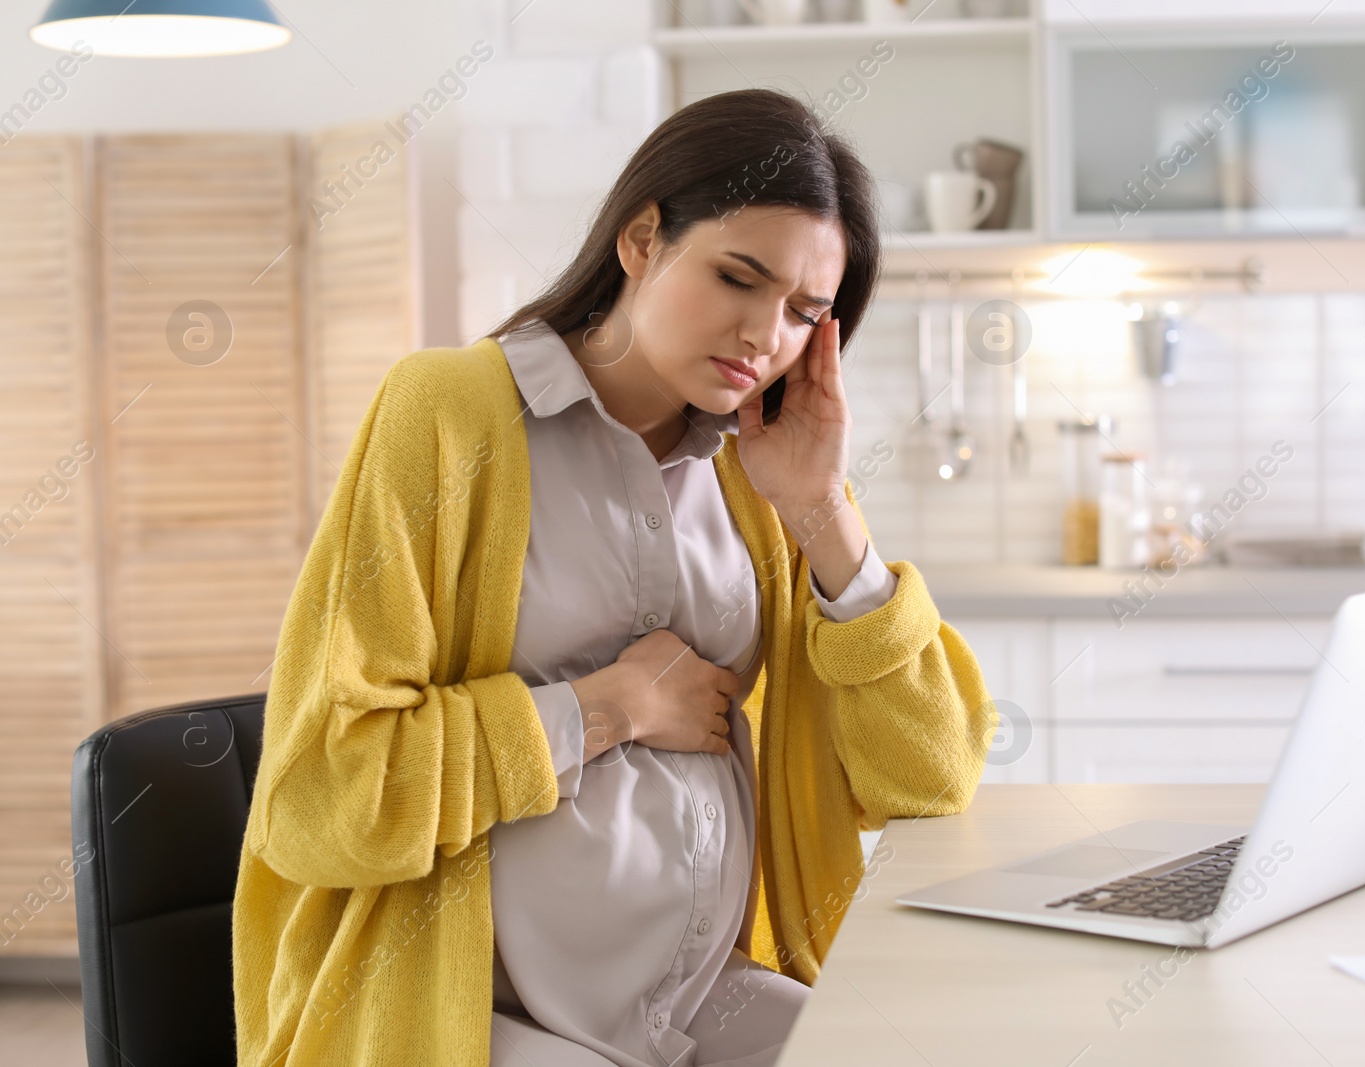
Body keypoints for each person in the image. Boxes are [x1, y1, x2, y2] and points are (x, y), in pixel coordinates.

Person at [232, 87, 993, 1067]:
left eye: (805, 312)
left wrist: (822, 510)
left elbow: (929, 775)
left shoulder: (757, 474)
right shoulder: (451, 415)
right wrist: (607, 707)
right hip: (470, 1012)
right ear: (641, 239)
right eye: (736, 277)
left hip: (690, 1000)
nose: (766, 334)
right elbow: (320, 794)